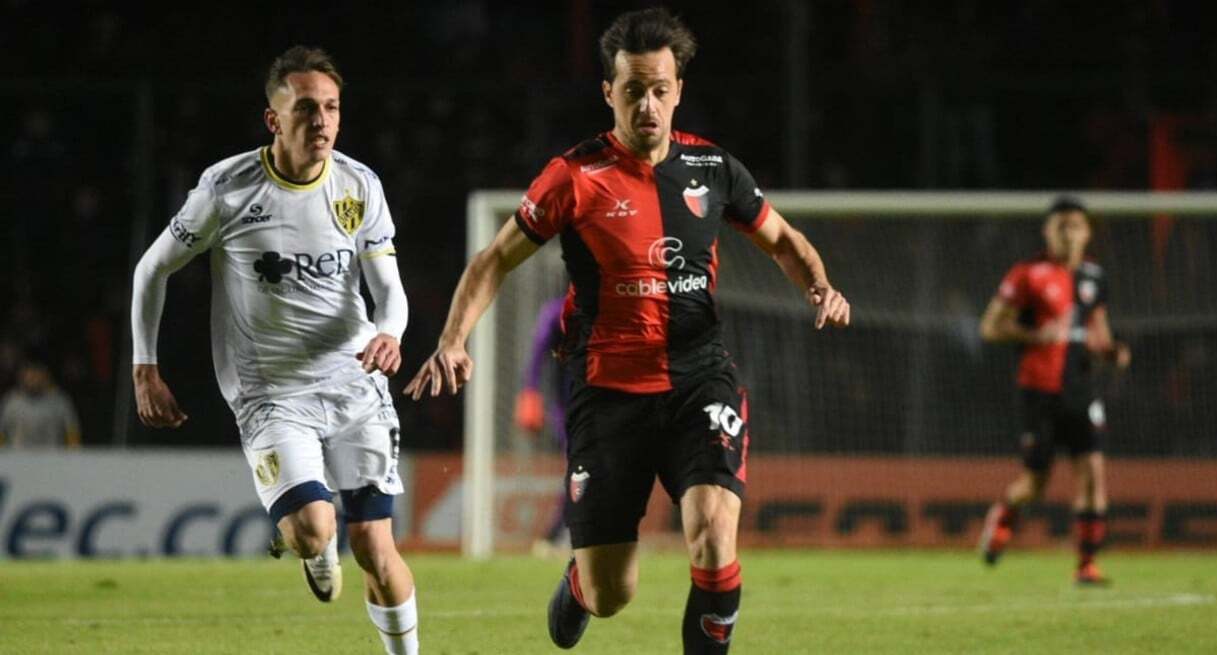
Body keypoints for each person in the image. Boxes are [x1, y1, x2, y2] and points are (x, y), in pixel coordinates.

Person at [404, 8, 851, 653]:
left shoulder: (713, 168)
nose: (648, 104)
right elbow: (494, 259)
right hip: (608, 393)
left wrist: (819, 286)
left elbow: (781, 239)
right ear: (608, 92)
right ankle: (583, 583)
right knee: (613, 592)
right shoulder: (573, 176)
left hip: (700, 380)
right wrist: (453, 339)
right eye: (633, 90)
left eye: (660, 89)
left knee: (713, 532)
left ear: (678, 91)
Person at [130, 46, 419, 654]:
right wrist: (144, 367)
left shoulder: (359, 185)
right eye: (307, 108)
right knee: (313, 529)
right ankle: (314, 550)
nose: (322, 121)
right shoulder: (227, 189)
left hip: (355, 383)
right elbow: (152, 269)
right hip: (271, 394)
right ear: (274, 119)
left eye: (332, 108)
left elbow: (389, 289)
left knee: (374, 545)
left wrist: (390, 332)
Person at [976, 196, 1131, 586]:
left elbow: (1099, 334)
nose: (1068, 233)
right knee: (1035, 483)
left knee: (1092, 474)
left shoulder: (1095, 278)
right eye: (1060, 226)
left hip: (1082, 391)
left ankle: (1086, 565)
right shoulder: (1027, 274)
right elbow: (990, 327)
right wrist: (1035, 334)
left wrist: (1113, 352)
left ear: (1087, 232)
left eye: (1075, 226)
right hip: (1039, 391)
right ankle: (1003, 515)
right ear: (1047, 231)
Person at [514, 295, 571, 556]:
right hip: (570, 407)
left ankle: (560, 534)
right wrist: (530, 393)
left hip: (605, 401)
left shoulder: (610, 305)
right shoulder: (557, 313)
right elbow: (537, 355)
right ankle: (555, 535)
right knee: (580, 468)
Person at [0, 358, 81, 449]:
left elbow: (72, 431)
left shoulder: (59, 401)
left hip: (52, 455)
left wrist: (73, 454)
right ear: (22, 377)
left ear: (45, 377)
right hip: (17, 455)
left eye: (36, 375)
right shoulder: (11, 401)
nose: (33, 379)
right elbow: (1, 431)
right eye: (29, 376)